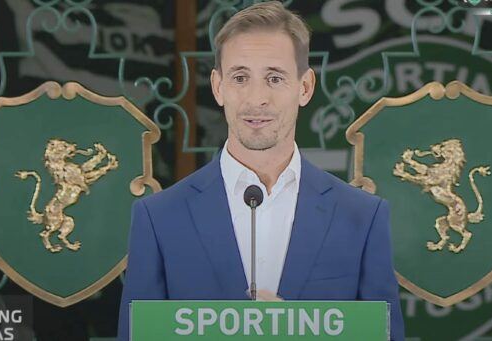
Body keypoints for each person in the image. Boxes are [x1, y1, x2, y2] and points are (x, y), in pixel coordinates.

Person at [118, 1, 404, 340]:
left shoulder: (363, 217)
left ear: (305, 87)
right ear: (218, 86)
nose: (257, 98)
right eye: (240, 77)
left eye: (274, 78)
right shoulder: (158, 218)